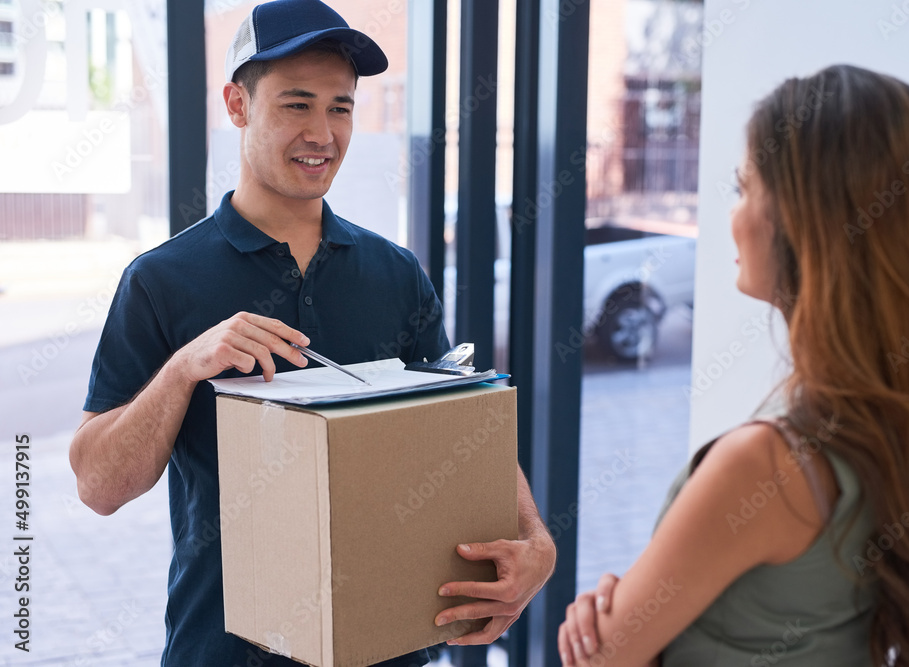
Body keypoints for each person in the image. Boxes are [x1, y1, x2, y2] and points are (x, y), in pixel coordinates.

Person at [68, 1, 556, 665]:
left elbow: (460, 423)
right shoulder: (161, 280)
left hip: (388, 645)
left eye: (341, 107)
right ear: (237, 105)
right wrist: (185, 367)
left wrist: (537, 539)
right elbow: (98, 486)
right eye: (297, 105)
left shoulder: (395, 273)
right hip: (225, 649)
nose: (322, 133)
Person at [558, 64, 909, 666]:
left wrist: (603, 622)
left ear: (802, 222)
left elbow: (599, 658)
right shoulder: (905, 419)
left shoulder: (765, 465)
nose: (734, 217)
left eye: (745, 188)